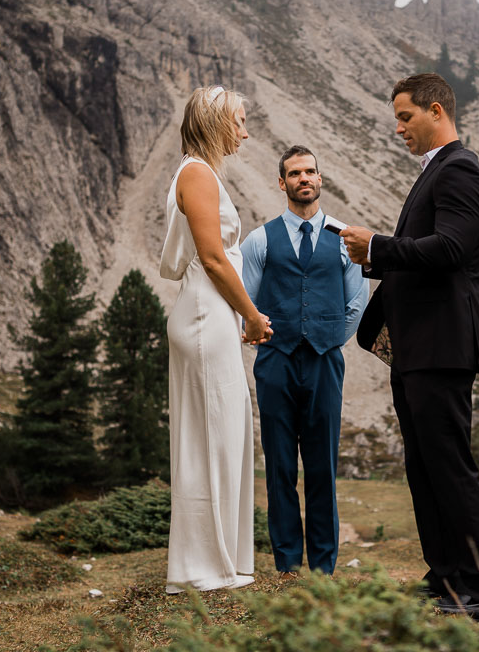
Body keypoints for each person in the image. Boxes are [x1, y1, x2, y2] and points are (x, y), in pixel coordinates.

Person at [341, 73, 479, 623]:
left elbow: (453, 248)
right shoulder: (436, 171)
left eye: (405, 117)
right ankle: (445, 577)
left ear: (437, 111)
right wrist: (374, 256)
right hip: (415, 349)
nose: (398, 128)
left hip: (442, 347)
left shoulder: (460, 168)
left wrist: (378, 245)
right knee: (423, 467)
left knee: (450, 467)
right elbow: (425, 250)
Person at [160, 85, 272, 593]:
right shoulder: (198, 174)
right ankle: (205, 567)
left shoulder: (198, 173)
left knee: (220, 434)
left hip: (210, 313)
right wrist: (252, 315)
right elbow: (212, 258)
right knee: (214, 435)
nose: (245, 133)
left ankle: (219, 561)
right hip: (207, 313)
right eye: (239, 121)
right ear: (214, 122)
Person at [240, 146, 368, 579]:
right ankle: (288, 566)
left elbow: (356, 301)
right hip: (275, 363)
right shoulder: (260, 240)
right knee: (278, 466)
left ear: (320, 178)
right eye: (294, 173)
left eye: (310, 171)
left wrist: (328, 339)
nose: (304, 178)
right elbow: (247, 302)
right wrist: (267, 337)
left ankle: (324, 569)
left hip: (324, 364)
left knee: (322, 468)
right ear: (282, 183)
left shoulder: (345, 238)